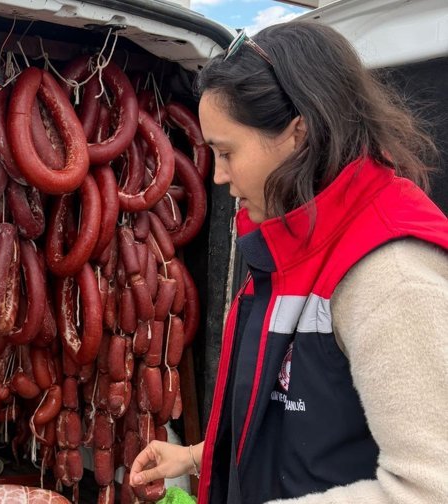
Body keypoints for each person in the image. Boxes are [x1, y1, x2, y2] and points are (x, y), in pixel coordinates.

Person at [128, 21, 448, 504]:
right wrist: (198, 456)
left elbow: (429, 489)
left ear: (298, 134)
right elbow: (310, 431)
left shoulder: (393, 276)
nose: (219, 176)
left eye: (227, 152)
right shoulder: (289, 247)